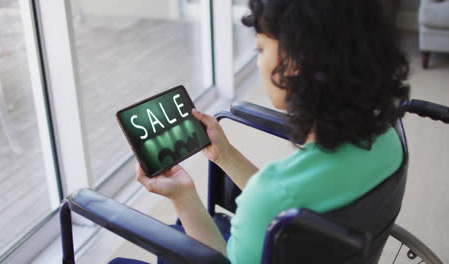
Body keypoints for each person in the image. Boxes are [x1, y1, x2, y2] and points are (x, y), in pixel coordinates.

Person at [112, 0, 410, 263]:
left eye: (261, 47)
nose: (257, 60)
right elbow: (286, 202)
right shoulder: (389, 140)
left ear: (293, 62)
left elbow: (265, 209)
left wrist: (183, 195)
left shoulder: (268, 196)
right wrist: (225, 155)